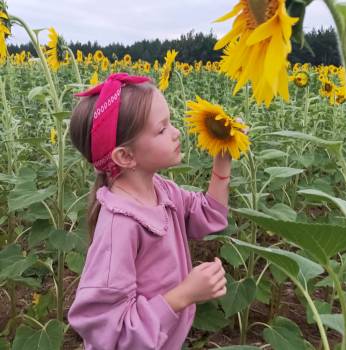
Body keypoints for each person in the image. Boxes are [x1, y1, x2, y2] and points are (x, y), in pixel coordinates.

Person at [67, 73, 232, 350]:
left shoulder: (163, 191)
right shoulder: (119, 227)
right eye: (162, 129)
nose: (176, 132)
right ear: (126, 156)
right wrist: (183, 294)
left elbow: (209, 215)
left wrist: (223, 159)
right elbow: (112, 336)